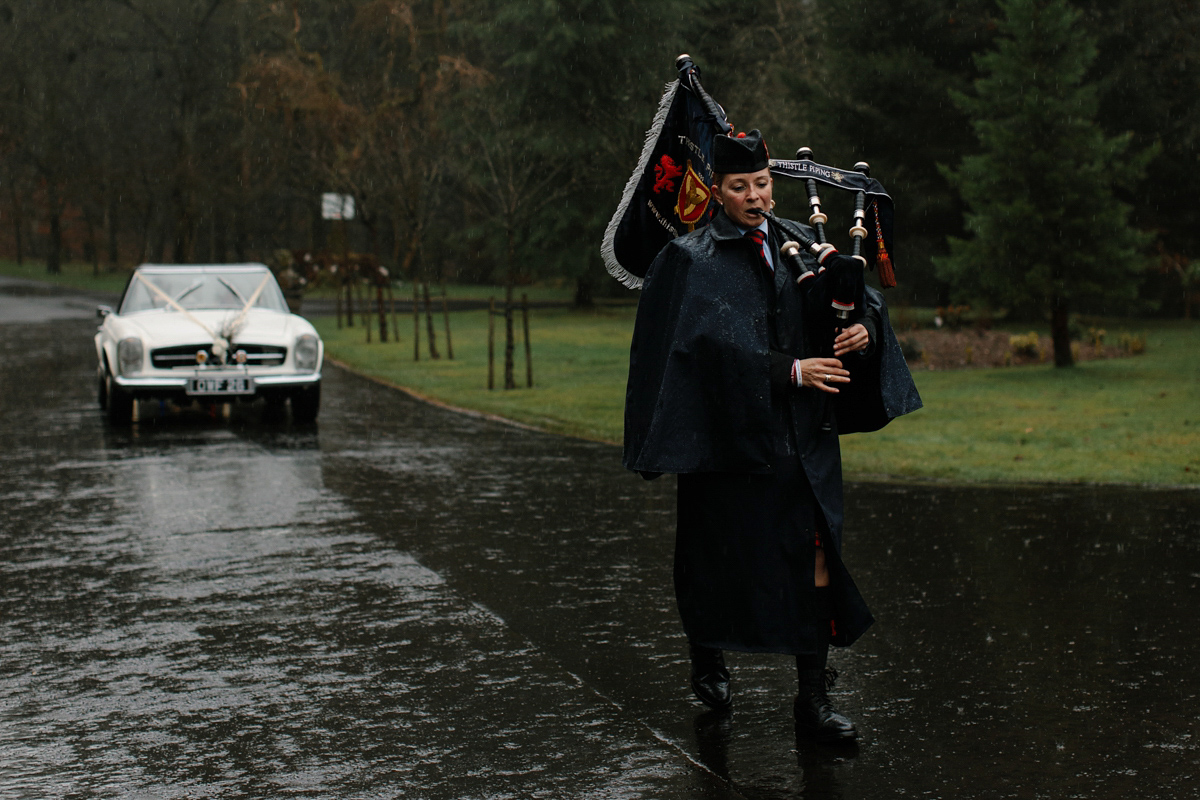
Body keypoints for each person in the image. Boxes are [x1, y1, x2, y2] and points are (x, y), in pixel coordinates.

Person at [623, 129, 920, 742]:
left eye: (762, 183)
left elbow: (855, 300)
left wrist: (860, 329)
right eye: (741, 187)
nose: (756, 196)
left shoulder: (804, 243)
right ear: (718, 193)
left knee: (815, 555)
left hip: (800, 440)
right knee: (715, 561)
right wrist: (789, 370)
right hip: (725, 446)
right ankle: (708, 660)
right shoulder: (690, 259)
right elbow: (695, 355)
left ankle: (812, 705)